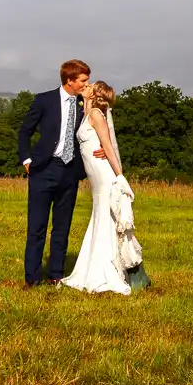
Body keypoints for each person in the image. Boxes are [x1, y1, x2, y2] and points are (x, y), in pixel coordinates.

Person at [18, 60, 103, 287]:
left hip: (69, 172)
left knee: (62, 227)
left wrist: (101, 149)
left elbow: (94, 131)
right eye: (83, 80)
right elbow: (25, 132)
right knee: (36, 227)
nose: (88, 84)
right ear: (70, 80)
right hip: (43, 170)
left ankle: (56, 275)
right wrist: (27, 160)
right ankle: (32, 279)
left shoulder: (84, 104)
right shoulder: (44, 100)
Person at [61, 80, 148, 295]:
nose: (86, 85)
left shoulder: (97, 115)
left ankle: (108, 270)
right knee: (99, 216)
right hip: (95, 175)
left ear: (94, 94)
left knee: (106, 218)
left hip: (103, 173)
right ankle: (93, 266)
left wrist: (119, 175)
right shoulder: (86, 113)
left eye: (89, 85)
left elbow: (107, 145)